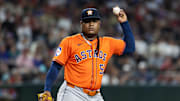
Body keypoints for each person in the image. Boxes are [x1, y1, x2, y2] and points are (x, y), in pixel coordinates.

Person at [38, 8, 135, 101]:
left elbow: (130, 47)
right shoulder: (69, 42)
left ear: (99, 23)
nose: (91, 24)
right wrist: (47, 89)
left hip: (96, 95)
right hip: (73, 92)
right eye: (87, 21)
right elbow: (55, 67)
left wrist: (124, 23)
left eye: (94, 21)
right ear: (81, 24)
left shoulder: (107, 43)